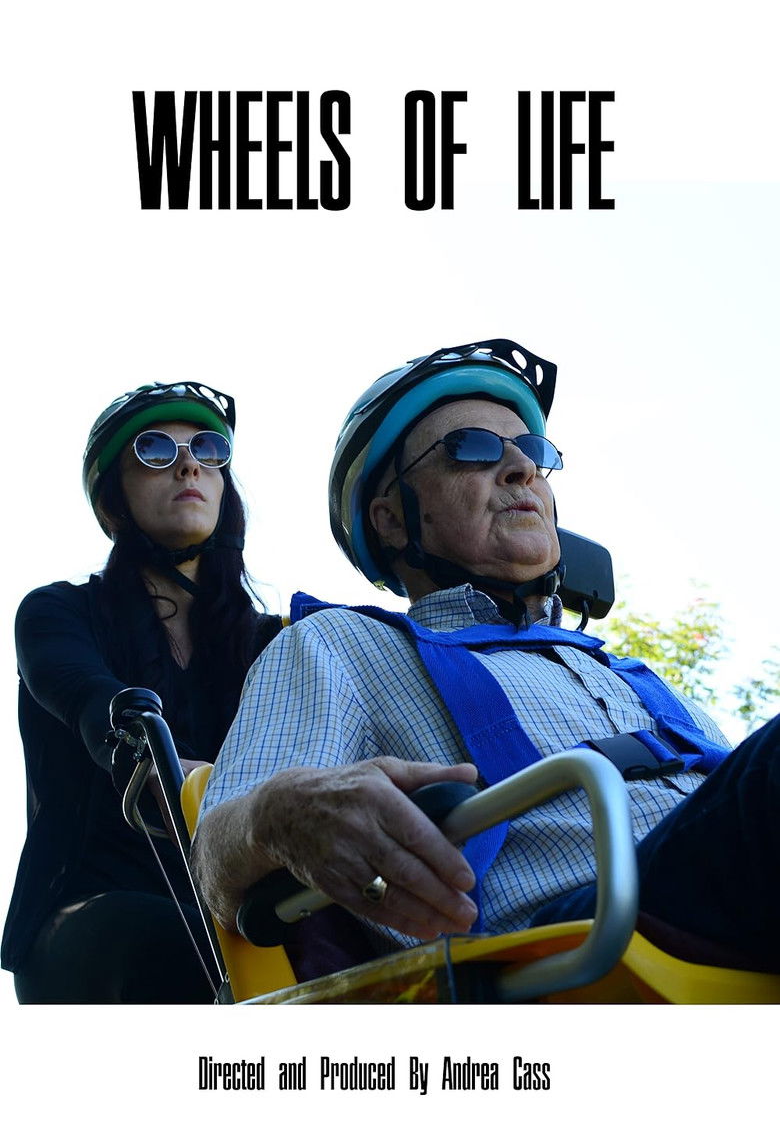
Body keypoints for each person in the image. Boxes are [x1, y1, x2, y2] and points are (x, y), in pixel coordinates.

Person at [191, 340, 779, 973]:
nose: (522, 468)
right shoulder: (340, 643)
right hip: (572, 938)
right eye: (471, 448)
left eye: (533, 451)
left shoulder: (627, 676)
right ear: (392, 521)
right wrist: (280, 815)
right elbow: (212, 861)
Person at [2, 381, 282, 1003]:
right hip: (89, 908)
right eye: (155, 450)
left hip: (236, 895)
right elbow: (88, 697)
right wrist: (143, 753)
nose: (189, 465)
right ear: (114, 503)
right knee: (176, 950)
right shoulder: (57, 612)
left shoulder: (275, 641)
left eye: (208, 450)